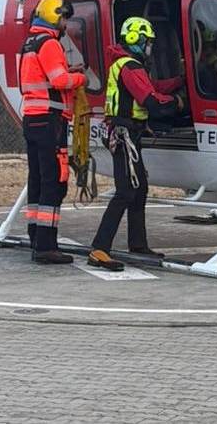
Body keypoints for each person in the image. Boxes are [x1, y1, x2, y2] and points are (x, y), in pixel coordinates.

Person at [88, 16, 184, 272]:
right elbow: (149, 99)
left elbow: (152, 86)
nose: (151, 47)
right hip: (125, 136)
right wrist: (176, 103)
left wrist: (180, 80)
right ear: (136, 39)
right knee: (125, 192)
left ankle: (138, 244)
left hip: (132, 134)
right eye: (148, 42)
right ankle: (99, 249)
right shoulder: (129, 66)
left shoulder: (131, 66)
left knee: (139, 188)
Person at [19, 0, 86, 265]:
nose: (65, 24)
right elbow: (59, 79)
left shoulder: (30, 43)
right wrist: (80, 77)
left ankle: (35, 234)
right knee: (54, 181)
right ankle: (46, 245)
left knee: (36, 178)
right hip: (50, 120)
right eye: (63, 18)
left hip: (32, 119)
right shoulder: (49, 44)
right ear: (54, 17)